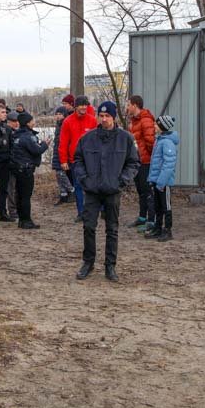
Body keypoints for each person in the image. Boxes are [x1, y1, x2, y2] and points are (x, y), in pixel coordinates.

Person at [72, 100, 139, 282]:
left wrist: (121, 182)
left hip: (112, 190)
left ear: (113, 116)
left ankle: (110, 266)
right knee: (88, 227)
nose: (104, 119)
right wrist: (84, 180)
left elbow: (133, 163)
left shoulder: (125, 138)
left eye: (107, 116)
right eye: (101, 116)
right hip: (92, 190)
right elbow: (77, 160)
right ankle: (88, 262)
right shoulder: (88, 138)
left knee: (112, 229)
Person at [58, 95, 97, 222]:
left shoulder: (92, 120)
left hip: (91, 159)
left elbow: (98, 140)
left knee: (94, 186)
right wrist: (63, 160)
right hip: (75, 160)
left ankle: (97, 210)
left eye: (85, 105)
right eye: (81, 105)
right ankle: (81, 213)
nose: (84, 107)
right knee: (78, 186)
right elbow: (63, 142)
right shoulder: (68, 121)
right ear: (75, 107)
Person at [10, 111, 48, 229]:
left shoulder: (16, 135)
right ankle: (26, 220)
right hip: (26, 169)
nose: (34, 122)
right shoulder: (27, 136)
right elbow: (36, 150)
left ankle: (22, 220)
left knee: (19, 195)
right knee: (25, 196)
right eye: (32, 121)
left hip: (18, 168)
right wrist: (45, 144)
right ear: (27, 123)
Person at [126, 95, 157, 231]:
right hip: (137, 162)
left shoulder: (145, 120)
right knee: (141, 191)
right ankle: (142, 217)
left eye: (128, 104)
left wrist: (148, 158)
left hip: (146, 162)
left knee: (148, 191)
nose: (127, 107)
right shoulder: (134, 121)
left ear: (135, 105)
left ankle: (151, 220)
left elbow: (151, 141)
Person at [146, 114, 179, 242]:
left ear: (162, 127)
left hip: (163, 182)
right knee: (157, 206)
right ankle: (158, 228)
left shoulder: (167, 142)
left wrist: (161, 182)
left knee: (166, 206)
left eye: (156, 124)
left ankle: (168, 230)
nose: (154, 126)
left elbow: (169, 164)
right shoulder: (160, 140)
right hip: (157, 181)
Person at [51, 96, 75, 204]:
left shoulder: (65, 124)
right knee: (58, 174)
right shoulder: (58, 125)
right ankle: (63, 194)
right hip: (56, 151)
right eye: (56, 114)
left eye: (60, 114)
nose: (58, 116)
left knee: (61, 173)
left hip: (62, 153)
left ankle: (72, 190)